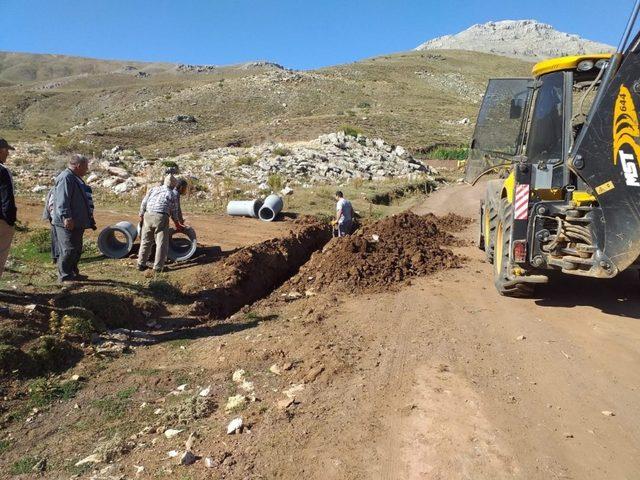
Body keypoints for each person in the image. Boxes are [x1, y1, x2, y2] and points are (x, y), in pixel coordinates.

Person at [52, 154, 95, 283]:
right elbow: (62, 200)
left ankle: (73, 273)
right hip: (67, 222)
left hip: (77, 222)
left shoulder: (75, 178)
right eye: (86, 167)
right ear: (78, 166)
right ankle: (64, 277)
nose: (87, 170)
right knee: (68, 249)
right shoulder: (66, 177)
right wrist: (66, 217)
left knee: (76, 249)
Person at [137, 175, 185, 273]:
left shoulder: (154, 189)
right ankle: (158, 267)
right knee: (161, 243)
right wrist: (177, 224)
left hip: (148, 215)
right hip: (161, 217)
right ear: (173, 184)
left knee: (146, 240)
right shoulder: (172, 193)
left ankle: (140, 264)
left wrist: (141, 215)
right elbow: (174, 211)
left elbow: (144, 202)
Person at [0, 138, 17, 279]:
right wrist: (10, 220)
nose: (8, 154)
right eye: (6, 151)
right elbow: (7, 198)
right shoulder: (3, 171)